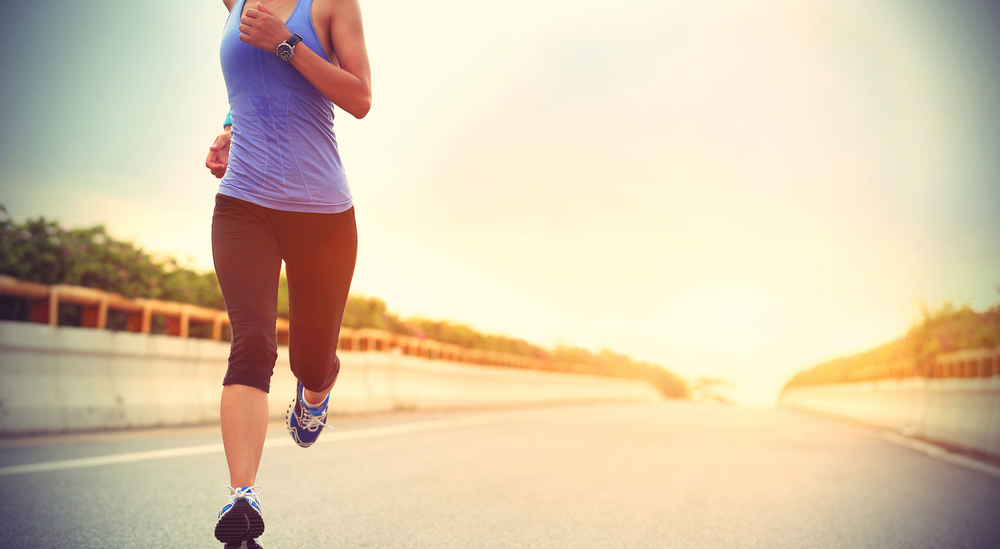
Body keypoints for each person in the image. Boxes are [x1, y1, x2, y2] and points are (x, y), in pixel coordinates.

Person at [204, 0, 371, 546]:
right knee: (252, 341)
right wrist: (229, 127)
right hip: (243, 202)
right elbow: (250, 86)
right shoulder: (236, 2)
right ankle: (241, 497)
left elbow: (360, 98)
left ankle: (317, 390)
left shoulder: (331, 5)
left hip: (322, 215)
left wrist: (286, 41)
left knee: (310, 360)